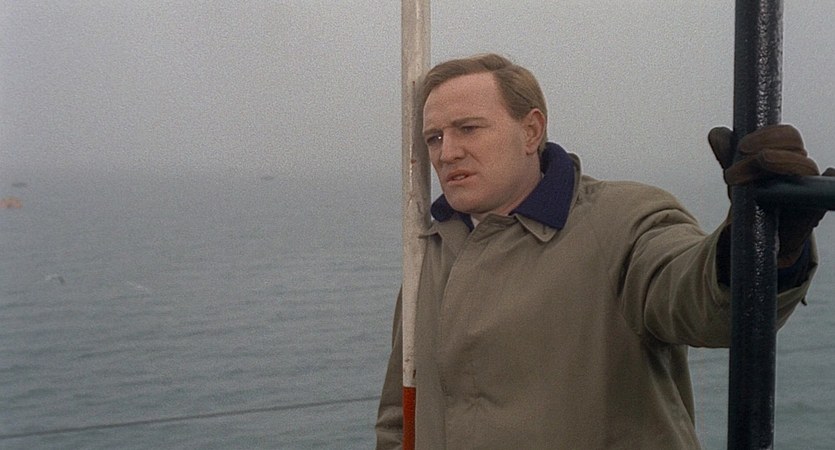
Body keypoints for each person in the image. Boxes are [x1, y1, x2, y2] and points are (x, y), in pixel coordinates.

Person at [375, 53, 831, 449]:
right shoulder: (430, 253)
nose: (447, 153)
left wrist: (760, 248)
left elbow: (693, 296)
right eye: (434, 137)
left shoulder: (623, 222)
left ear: (531, 131)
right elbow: (400, 416)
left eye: (468, 129)